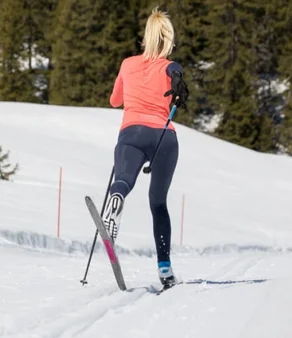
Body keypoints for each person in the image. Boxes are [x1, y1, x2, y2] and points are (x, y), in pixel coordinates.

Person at [104, 7, 189, 288]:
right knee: (159, 203)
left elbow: (115, 101)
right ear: (168, 40)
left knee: (123, 180)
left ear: (145, 37)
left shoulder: (127, 64)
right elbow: (173, 69)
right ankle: (164, 269)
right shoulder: (169, 66)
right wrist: (177, 78)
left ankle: (115, 200)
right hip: (164, 137)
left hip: (131, 133)